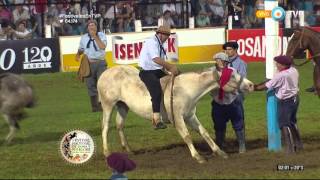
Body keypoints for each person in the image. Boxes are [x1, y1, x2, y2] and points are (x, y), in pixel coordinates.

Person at [254, 55, 302, 154]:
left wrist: (254, 88)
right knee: (292, 121)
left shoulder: (281, 75)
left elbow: (266, 86)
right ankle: (299, 144)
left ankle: (290, 149)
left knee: (284, 124)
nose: (276, 65)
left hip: (286, 101)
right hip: (295, 98)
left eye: (278, 64)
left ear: (284, 65)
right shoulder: (294, 70)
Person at [138, 25, 179, 130]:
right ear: (160, 34)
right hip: (146, 72)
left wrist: (168, 72)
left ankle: (173, 111)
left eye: (168, 36)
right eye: (166, 35)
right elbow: (155, 59)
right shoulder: (152, 42)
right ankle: (156, 119)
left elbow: (160, 64)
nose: (168, 38)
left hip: (157, 71)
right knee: (156, 92)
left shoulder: (161, 44)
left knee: (177, 79)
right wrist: (170, 67)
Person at [211, 52, 246, 153]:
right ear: (216, 61)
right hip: (218, 102)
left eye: (224, 61)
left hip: (233, 101)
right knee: (218, 125)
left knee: (238, 124)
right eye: (219, 60)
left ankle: (242, 145)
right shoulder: (211, 72)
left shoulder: (232, 71)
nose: (221, 63)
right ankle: (220, 146)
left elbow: (237, 83)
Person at [76, 19, 107, 112]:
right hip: (88, 64)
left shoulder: (101, 35)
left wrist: (95, 36)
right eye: (89, 25)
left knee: (101, 85)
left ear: (96, 27)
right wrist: (78, 54)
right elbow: (81, 48)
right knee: (90, 86)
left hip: (100, 63)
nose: (91, 27)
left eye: (93, 25)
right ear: (87, 27)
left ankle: (104, 106)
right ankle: (95, 107)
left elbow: (103, 47)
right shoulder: (84, 37)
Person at [223, 41, 247, 153]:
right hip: (223, 95)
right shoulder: (223, 63)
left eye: (229, 49)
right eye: (226, 49)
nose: (227, 51)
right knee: (220, 121)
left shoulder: (241, 63)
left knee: (238, 120)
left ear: (235, 50)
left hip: (236, 95)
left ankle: (242, 145)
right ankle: (221, 144)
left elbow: (241, 80)